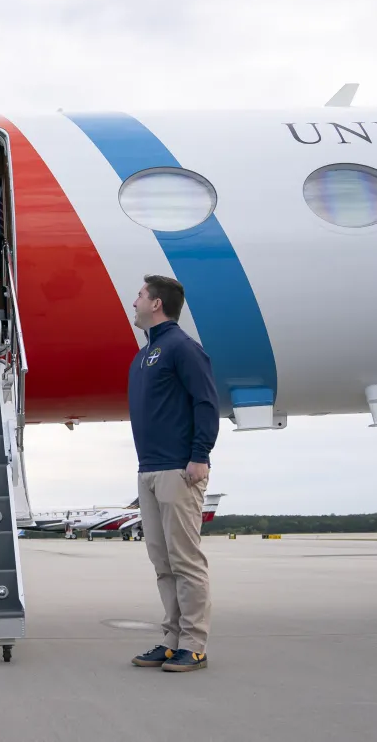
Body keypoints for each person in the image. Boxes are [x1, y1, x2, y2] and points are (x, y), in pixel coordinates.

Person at [127, 274, 219, 672]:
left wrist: (200, 455)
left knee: (185, 560)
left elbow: (205, 403)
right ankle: (171, 638)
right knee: (161, 561)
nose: (135, 301)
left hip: (179, 470)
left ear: (157, 304)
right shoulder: (143, 355)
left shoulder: (183, 349)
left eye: (140, 295)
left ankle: (194, 644)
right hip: (148, 471)